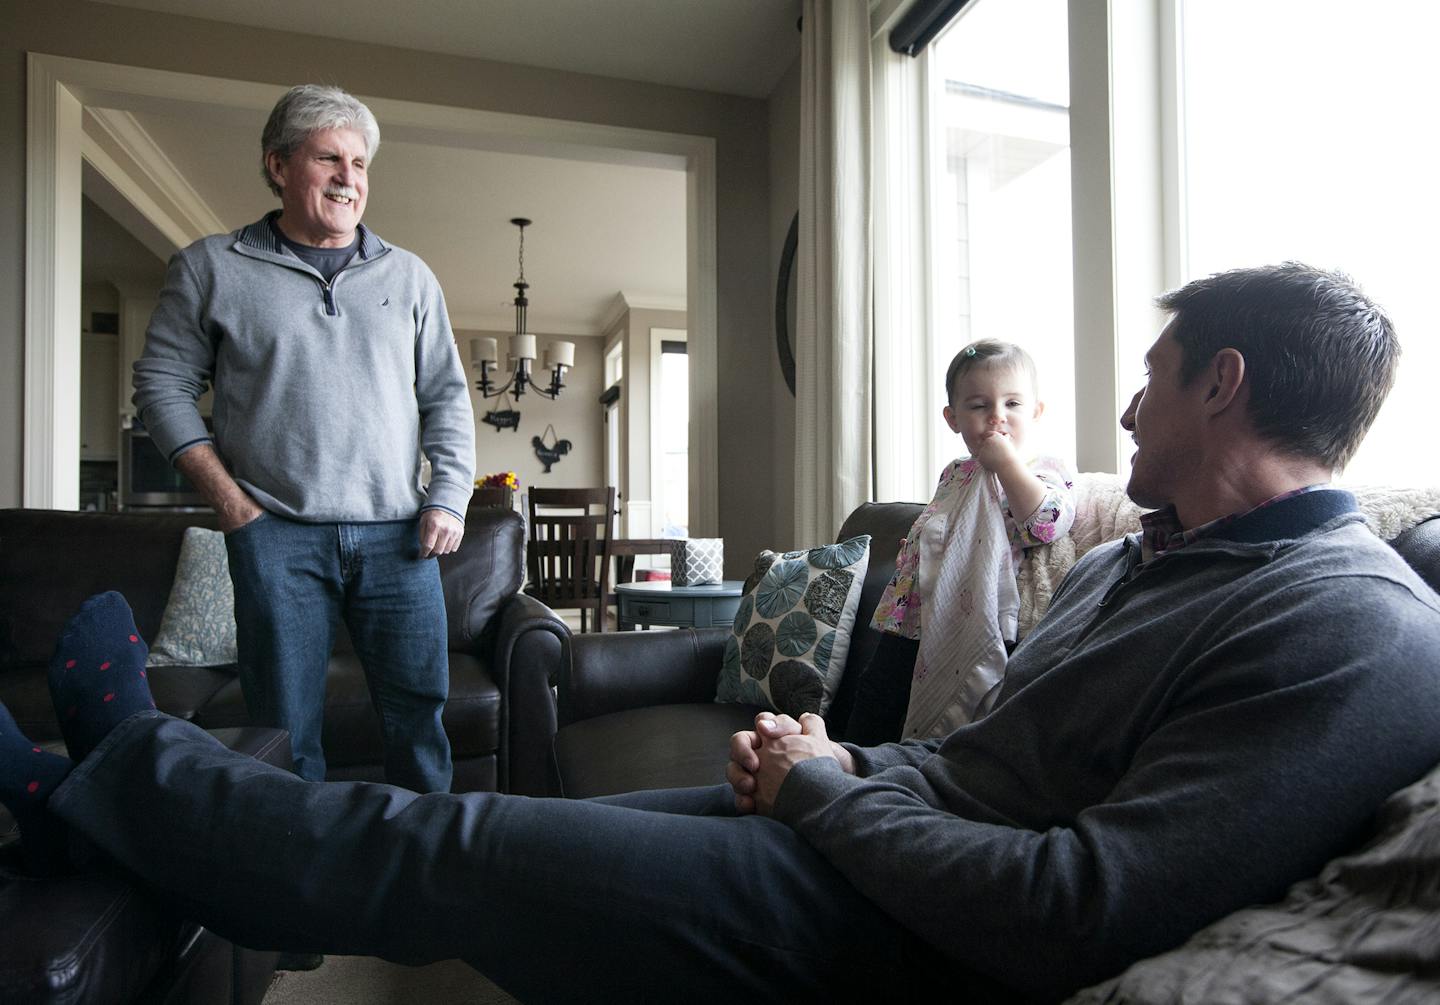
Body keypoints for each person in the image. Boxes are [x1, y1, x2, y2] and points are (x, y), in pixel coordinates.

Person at [5, 263, 1440, 1002]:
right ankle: (95, 805)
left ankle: (118, 770)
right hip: (878, 833)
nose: (1125, 411)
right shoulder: (1167, 558)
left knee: (457, 847)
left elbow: (1078, 909)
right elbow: (989, 760)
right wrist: (842, 764)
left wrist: (823, 786)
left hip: (916, 933)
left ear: (1224, 388)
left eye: (1153, 380)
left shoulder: (1350, 630)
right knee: (420, 835)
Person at [131, 84, 475, 793]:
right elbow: (161, 388)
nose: (350, 177)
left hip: (399, 538)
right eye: (329, 158)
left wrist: (448, 496)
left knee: (420, 723)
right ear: (279, 165)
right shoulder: (211, 267)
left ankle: (431, 878)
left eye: (360, 162)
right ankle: (303, 888)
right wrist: (234, 508)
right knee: (285, 733)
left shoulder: (409, 277)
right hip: (275, 534)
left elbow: (447, 395)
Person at [847, 338, 1075, 744]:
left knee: (945, 710)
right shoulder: (956, 473)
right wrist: (919, 543)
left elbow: (1044, 522)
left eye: (1013, 404)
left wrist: (1005, 464)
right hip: (908, 612)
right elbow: (941, 524)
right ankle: (846, 771)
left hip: (964, 613)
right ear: (953, 418)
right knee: (878, 696)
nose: (997, 418)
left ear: (1037, 412)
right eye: (979, 406)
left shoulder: (1036, 469)